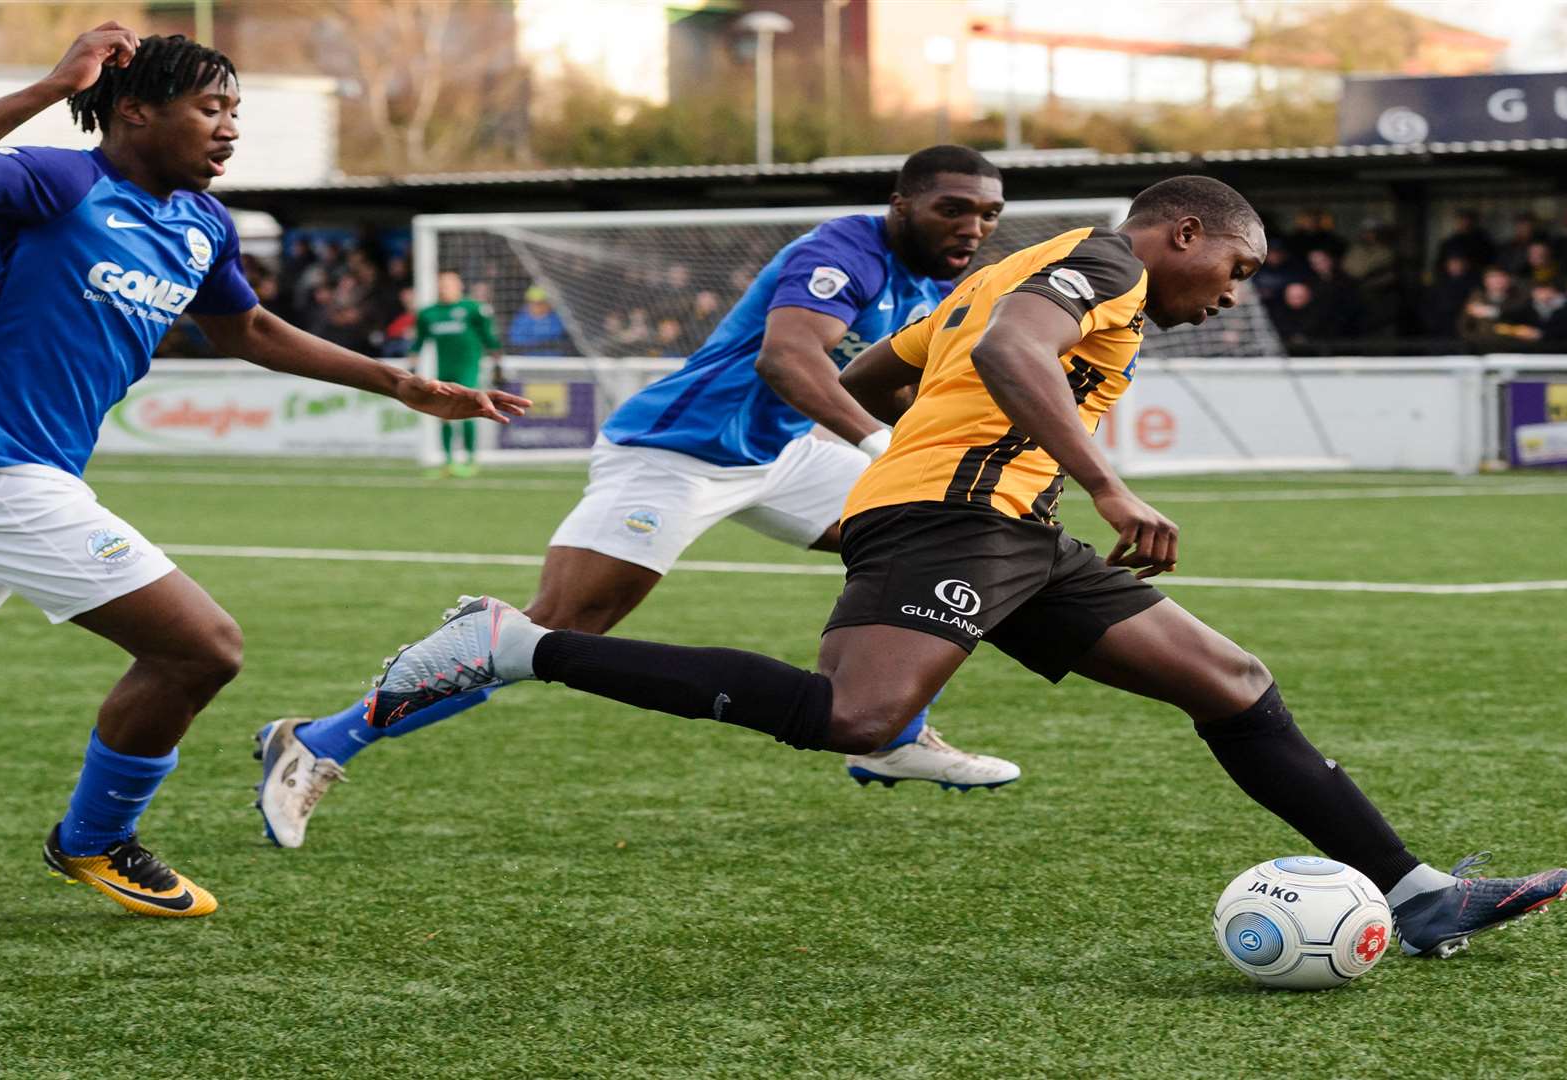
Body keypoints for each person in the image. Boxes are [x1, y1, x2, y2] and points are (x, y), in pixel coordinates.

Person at [367, 176, 1567, 961]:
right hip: (960, 516)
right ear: (1186, 234)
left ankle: (1415, 894)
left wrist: (889, 444)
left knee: (1231, 679)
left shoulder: (1006, 273)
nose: (1234, 294)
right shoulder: (1104, 266)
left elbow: (891, 368)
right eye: (1240, 269)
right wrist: (1104, 481)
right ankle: (512, 643)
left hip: (1009, 523)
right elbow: (1009, 351)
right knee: (859, 717)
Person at [0, 23, 525, 920]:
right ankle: (93, 841)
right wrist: (51, 84)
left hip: (5, 474)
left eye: (236, 111)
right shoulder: (62, 180)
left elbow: (250, 331)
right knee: (201, 648)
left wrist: (401, 383)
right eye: (209, 109)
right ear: (134, 110)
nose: (229, 129)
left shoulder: (201, 224)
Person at [255, 145, 1019, 849]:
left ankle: (894, 735)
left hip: (778, 456)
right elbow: (788, 358)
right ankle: (318, 741)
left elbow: (890, 382)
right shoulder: (843, 249)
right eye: (952, 207)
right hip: (672, 454)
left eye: (988, 213)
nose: (973, 225)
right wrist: (880, 443)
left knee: (936, 534)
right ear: (900, 204)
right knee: (545, 631)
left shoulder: (941, 283)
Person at [412, 270, 503, 477]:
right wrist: (411, 370)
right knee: (443, 413)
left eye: (449, 283)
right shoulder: (428, 314)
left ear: (459, 286)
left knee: (469, 409)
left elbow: (489, 338)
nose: (444, 288)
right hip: (444, 370)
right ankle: (448, 462)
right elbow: (418, 343)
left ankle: (471, 460)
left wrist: (499, 364)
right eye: (441, 284)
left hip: (469, 368)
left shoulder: (473, 309)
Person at [505, 285, 568, 355]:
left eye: (540, 303)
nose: (537, 307)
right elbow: (516, 340)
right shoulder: (522, 320)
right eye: (533, 303)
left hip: (554, 360)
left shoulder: (556, 319)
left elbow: (558, 335)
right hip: (527, 361)